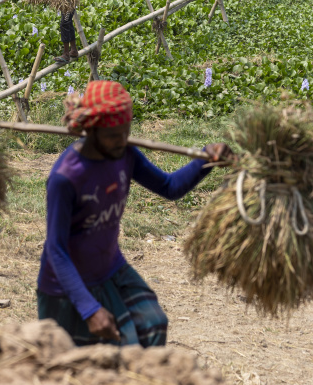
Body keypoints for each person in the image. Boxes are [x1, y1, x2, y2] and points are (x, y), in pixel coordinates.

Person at [37, 80, 232, 347]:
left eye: (126, 132)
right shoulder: (66, 177)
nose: (122, 140)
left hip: (110, 269)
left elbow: (169, 187)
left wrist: (206, 160)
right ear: (91, 130)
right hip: (67, 288)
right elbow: (56, 249)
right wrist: (89, 309)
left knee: (153, 325)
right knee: (88, 366)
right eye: (114, 135)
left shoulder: (125, 154)